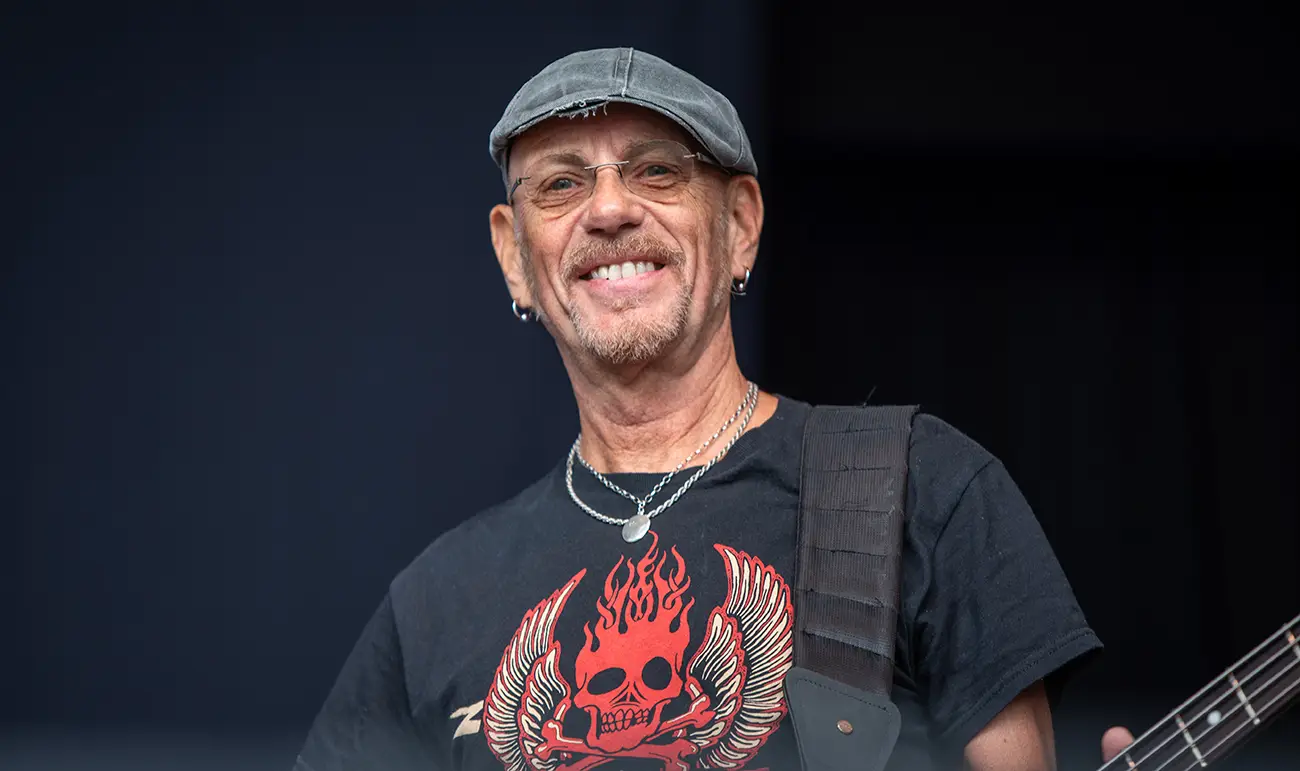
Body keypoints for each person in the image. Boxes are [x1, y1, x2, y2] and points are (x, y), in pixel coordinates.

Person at [293, 48, 1137, 771]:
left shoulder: (923, 490)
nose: (611, 207)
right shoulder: (435, 601)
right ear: (515, 257)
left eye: (657, 169)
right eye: (561, 183)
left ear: (739, 224)